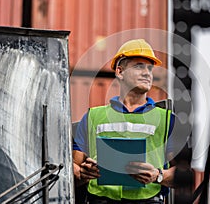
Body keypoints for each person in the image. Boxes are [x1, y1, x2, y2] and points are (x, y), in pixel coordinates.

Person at [73, 39, 176, 204]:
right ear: (120, 72)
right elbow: (73, 168)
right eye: (139, 66)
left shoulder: (167, 120)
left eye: (150, 68)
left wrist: (158, 175)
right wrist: (83, 173)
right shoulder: (93, 116)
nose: (147, 73)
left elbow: (184, 174)